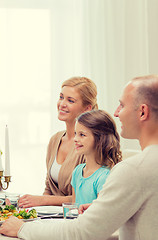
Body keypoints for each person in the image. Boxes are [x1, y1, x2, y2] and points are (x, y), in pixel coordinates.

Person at [0, 74, 158, 239]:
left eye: (122, 105)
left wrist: (22, 229)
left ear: (142, 112)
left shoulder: (132, 171)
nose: (116, 113)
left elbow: (82, 232)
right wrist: (99, 211)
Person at [19, 77, 98, 207]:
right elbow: (48, 188)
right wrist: (35, 209)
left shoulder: (91, 144)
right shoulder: (55, 140)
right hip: (52, 216)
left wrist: (42, 201)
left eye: (70, 100)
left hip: (75, 218)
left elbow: (85, 198)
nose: (62, 104)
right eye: (61, 97)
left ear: (86, 108)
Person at [71, 109, 121, 205]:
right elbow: (74, 211)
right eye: (75, 134)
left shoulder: (105, 176)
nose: (75, 139)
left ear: (100, 139)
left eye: (82, 135)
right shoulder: (77, 171)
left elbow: (101, 215)